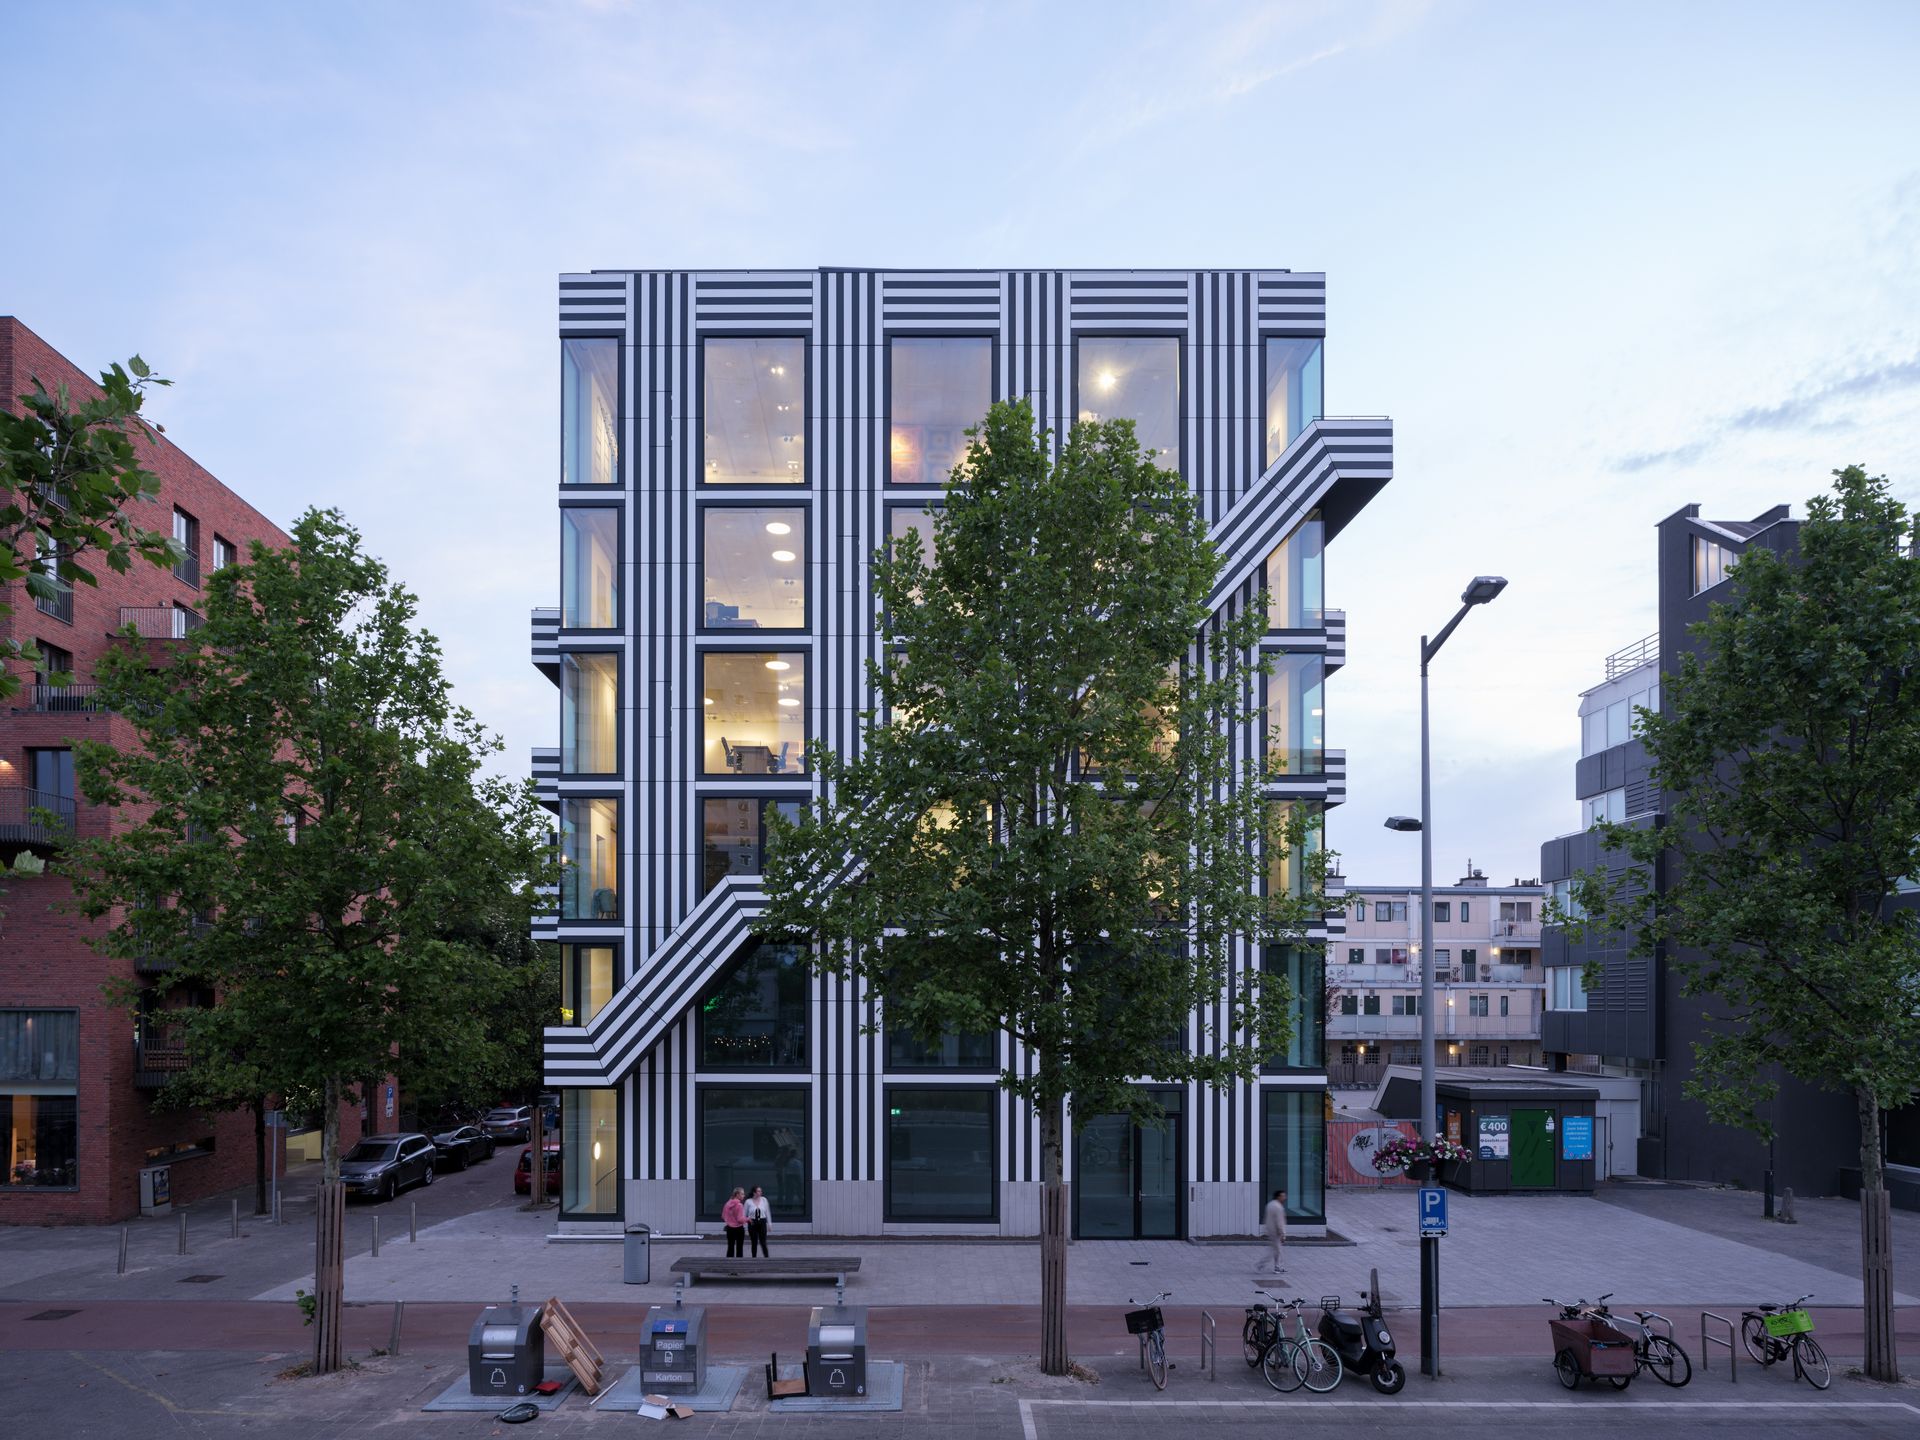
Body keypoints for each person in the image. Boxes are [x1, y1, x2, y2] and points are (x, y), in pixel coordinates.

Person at [1262, 1188, 1288, 1274]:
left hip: (1270, 1230)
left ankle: (1277, 1266)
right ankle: (1261, 1265)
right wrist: (1283, 1235)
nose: (1285, 1197)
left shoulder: (1270, 1204)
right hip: (1276, 1232)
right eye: (1283, 1196)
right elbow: (1280, 1222)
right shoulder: (1278, 1207)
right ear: (1278, 1196)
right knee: (1277, 1250)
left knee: (1275, 1249)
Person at [745, 1184, 771, 1257]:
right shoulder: (748, 1201)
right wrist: (745, 1227)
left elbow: (767, 1212)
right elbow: (744, 1214)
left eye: (760, 1191)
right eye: (758, 1191)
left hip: (762, 1221)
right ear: (754, 1192)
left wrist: (769, 1224)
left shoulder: (764, 1200)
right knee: (754, 1242)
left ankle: (766, 1257)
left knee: (763, 1241)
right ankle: (754, 1257)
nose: (760, 1193)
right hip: (752, 1222)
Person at [722, 1186, 747, 1258]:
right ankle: (739, 1266)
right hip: (739, 1229)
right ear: (737, 1195)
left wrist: (730, 1221)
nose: (744, 1195)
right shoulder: (739, 1205)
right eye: (742, 1194)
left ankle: (729, 1265)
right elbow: (740, 1219)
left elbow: (723, 1216)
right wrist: (747, 1219)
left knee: (730, 1247)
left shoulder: (727, 1204)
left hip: (729, 1229)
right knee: (739, 1248)